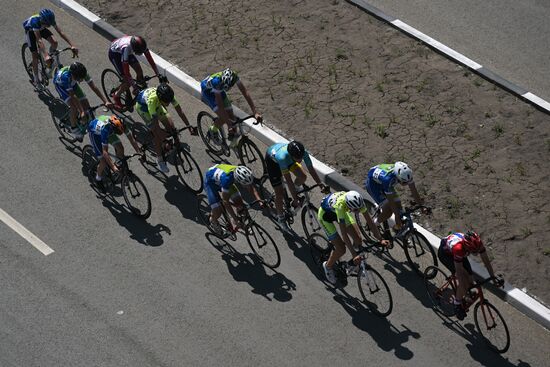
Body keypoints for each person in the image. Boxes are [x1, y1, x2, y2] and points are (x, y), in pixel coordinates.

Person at [319, 191, 390, 284]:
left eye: (358, 209)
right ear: (349, 206)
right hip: (326, 216)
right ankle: (327, 266)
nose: (357, 212)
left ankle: (356, 265)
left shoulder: (359, 202)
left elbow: (370, 222)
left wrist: (381, 239)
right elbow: (344, 235)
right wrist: (354, 254)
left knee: (358, 239)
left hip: (342, 211)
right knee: (341, 249)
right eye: (355, 210)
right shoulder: (340, 206)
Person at [265, 140, 328, 233]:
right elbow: (289, 180)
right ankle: (281, 218)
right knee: (279, 193)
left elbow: (311, 169)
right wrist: (295, 198)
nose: (300, 160)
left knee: (303, 176)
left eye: (301, 157)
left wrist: (320, 184)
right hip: (273, 162)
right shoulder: (283, 158)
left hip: (289, 160)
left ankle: (295, 189)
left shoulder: (302, 153)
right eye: (298, 158)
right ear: (292, 155)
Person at [438, 231, 502, 320]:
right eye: (473, 251)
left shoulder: (478, 243)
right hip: (446, 255)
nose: (476, 253)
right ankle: (456, 304)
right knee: (464, 281)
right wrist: (463, 285)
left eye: (476, 251)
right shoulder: (458, 248)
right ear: (467, 247)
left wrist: (493, 277)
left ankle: (464, 294)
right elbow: (460, 272)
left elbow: (486, 261)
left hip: (461, 254)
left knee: (470, 279)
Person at [135, 83, 197, 173]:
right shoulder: (152, 101)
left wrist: (189, 126)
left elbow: (180, 112)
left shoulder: (169, 95)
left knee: (172, 127)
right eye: (166, 102)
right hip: (144, 108)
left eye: (169, 101)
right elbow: (156, 126)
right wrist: (163, 137)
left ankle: (172, 144)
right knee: (156, 135)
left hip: (157, 105)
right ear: (161, 99)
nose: (168, 104)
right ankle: (160, 160)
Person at [200, 68, 262, 146]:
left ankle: (233, 143)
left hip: (220, 90)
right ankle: (212, 130)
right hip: (208, 93)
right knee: (224, 117)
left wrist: (255, 112)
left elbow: (245, 93)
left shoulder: (234, 76)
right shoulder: (217, 82)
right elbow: (220, 106)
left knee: (231, 116)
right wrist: (229, 124)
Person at [53, 62, 113, 140]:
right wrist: (81, 111)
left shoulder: (83, 73)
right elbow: (73, 96)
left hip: (72, 84)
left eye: (82, 78)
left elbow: (94, 87)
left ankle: (83, 122)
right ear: (73, 75)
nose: (81, 80)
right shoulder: (66, 77)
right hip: (62, 86)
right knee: (74, 108)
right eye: (79, 79)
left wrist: (105, 101)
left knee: (86, 105)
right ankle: (73, 128)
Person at [23, 8, 78, 89]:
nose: (49, 26)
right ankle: (36, 80)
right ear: (42, 20)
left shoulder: (49, 20)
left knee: (55, 42)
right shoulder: (35, 21)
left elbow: (61, 32)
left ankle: (49, 56)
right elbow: (39, 40)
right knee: (35, 55)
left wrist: (72, 45)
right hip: (31, 31)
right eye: (47, 24)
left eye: (50, 24)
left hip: (41, 29)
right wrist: (45, 55)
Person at [204, 164, 263, 235]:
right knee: (217, 210)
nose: (246, 186)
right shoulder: (227, 180)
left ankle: (239, 223)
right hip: (211, 183)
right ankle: (213, 221)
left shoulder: (242, 173)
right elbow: (225, 202)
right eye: (244, 184)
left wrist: (260, 201)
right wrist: (235, 218)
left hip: (223, 179)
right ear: (238, 180)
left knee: (239, 203)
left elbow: (250, 186)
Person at [364, 162, 423, 231]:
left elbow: (414, 190)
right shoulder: (388, 179)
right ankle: (373, 224)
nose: (406, 184)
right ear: (397, 176)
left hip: (384, 180)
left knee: (398, 206)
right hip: (374, 185)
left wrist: (421, 206)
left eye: (407, 182)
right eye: (404, 182)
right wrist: (397, 216)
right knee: (389, 211)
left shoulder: (406, 174)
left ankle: (397, 229)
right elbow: (391, 201)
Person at [87, 115, 141, 190]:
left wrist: (139, 153)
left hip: (110, 130)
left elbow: (132, 140)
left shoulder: (121, 124)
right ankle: (98, 178)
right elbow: (105, 151)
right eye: (118, 132)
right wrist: (113, 167)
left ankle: (117, 164)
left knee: (120, 148)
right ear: (113, 128)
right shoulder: (105, 130)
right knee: (103, 161)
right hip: (95, 134)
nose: (120, 133)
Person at [108, 35, 160, 109]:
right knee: (127, 82)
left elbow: (151, 60)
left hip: (125, 49)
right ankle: (116, 95)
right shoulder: (126, 48)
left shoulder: (141, 45)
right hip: (115, 54)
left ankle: (139, 89)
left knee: (139, 71)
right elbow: (127, 72)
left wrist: (158, 74)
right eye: (139, 52)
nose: (141, 54)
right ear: (134, 48)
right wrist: (134, 86)